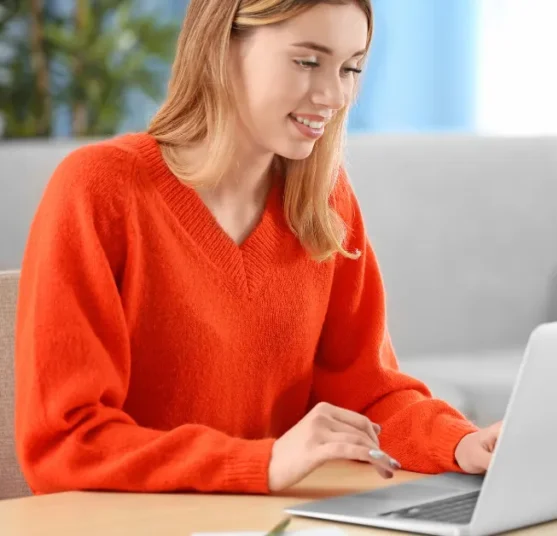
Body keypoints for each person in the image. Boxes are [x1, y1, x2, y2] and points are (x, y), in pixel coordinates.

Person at [14, 0, 501, 495]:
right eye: (307, 61)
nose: (334, 94)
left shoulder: (323, 203)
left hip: (268, 521)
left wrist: (462, 444)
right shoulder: (100, 189)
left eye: (351, 68)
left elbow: (369, 396)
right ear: (221, 49)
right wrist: (261, 463)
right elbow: (66, 442)